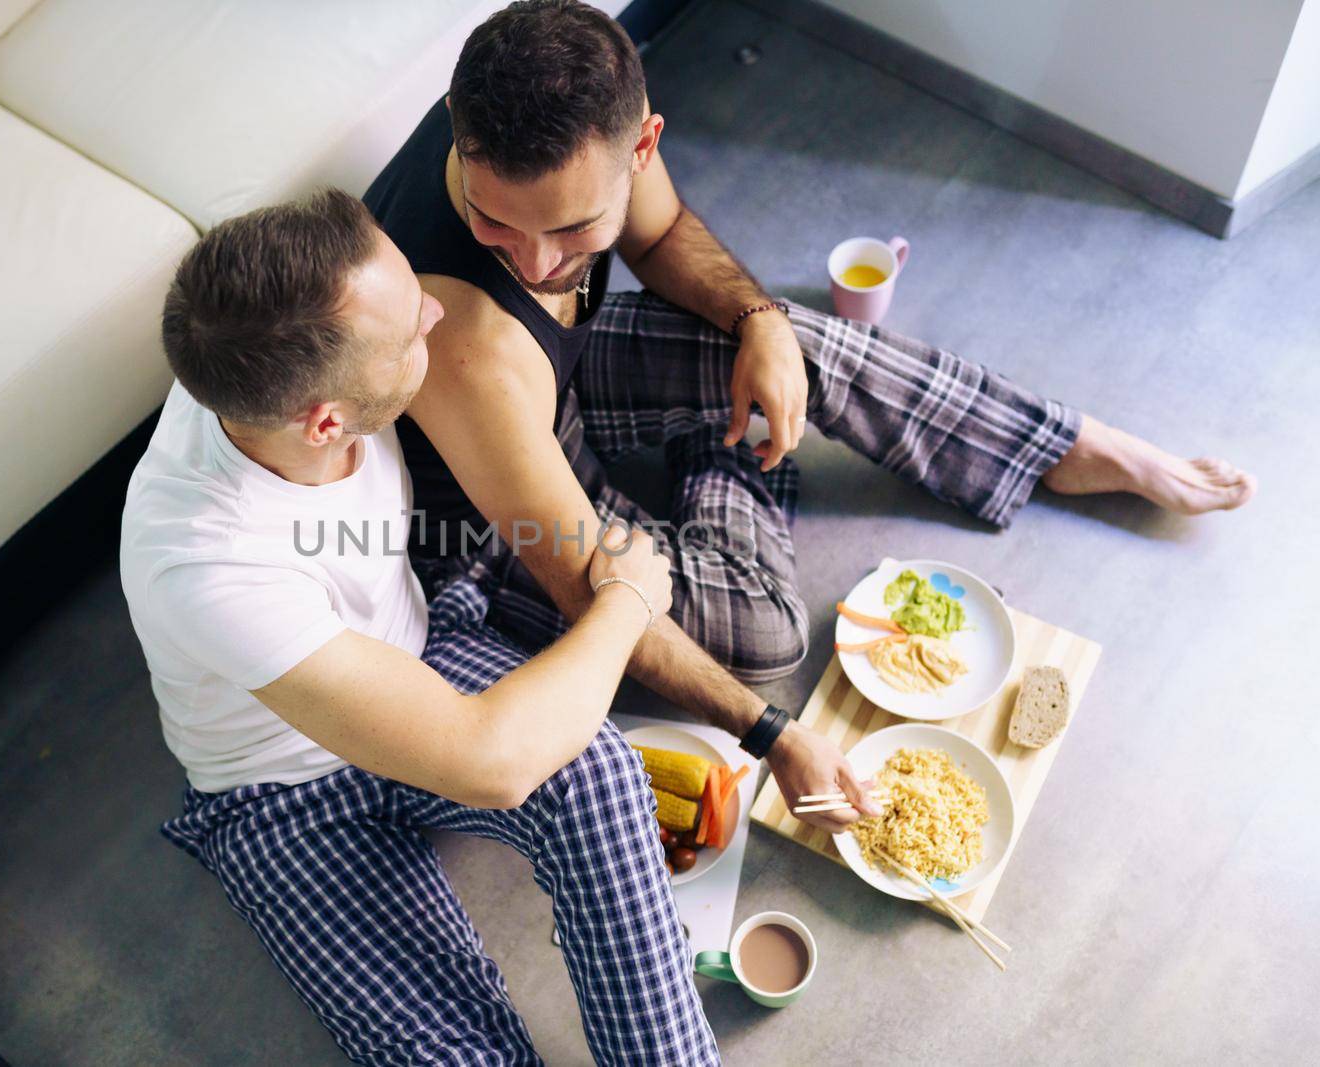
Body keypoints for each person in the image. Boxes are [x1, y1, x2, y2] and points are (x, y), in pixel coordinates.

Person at [361, 0, 1256, 811]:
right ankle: (719, 448)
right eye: (495, 222)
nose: (538, 262)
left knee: (792, 340)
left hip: (573, 368)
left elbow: (666, 234)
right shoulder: (461, 334)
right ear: (459, 135)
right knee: (767, 634)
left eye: (574, 229)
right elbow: (593, 585)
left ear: (641, 144)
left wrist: (759, 322)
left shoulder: (591, 132)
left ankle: (1065, 443)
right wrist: (772, 734)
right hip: (490, 521)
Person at [120, 189, 816, 1064]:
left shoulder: (291, 359)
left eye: (413, 290)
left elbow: (538, 510)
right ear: (325, 421)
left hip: (415, 649)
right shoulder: (204, 559)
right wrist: (627, 600)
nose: (436, 313)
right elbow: (490, 761)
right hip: (282, 791)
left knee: (598, 772)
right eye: (412, 327)